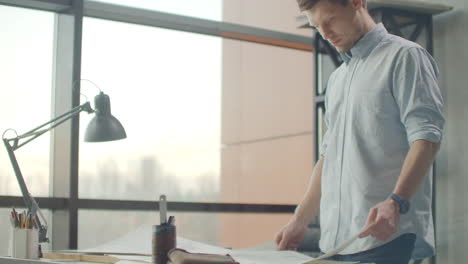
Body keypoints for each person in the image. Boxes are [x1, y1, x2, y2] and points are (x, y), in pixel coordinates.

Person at [274, 0, 445, 263]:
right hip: (335, 242)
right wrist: (299, 221)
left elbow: (427, 138)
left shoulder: (405, 56)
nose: (325, 33)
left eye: (329, 20)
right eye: (317, 26)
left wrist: (395, 202)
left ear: (357, 2)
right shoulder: (337, 80)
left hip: (385, 235)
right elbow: (327, 158)